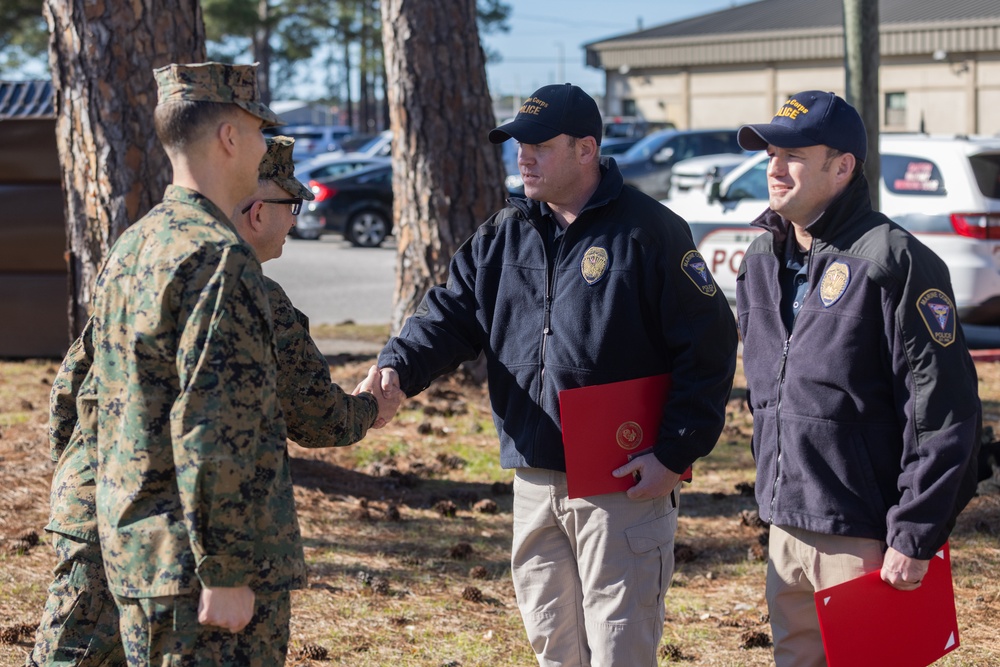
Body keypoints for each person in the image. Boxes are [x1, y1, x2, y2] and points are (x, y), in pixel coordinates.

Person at [376, 83, 738, 666]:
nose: (523, 156)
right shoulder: (502, 233)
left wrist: (675, 451)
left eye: (539, 145)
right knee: (553, 646)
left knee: (620, 645)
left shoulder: (650, 232)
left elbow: (711, 346)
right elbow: (449, 315)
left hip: (623, 478)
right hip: (534, 478)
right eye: (518, 144)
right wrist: (399, 365)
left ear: (586, 149)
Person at [27, 135, 396, 666]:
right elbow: (315, 417)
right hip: (185, 549)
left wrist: (79, 486)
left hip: (98, 516)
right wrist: (371, 409)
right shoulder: (247, 290)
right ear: (255, 210)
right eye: (291, 205)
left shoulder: (138, 252)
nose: (295, 220)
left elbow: (72, 385)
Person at [734, 90, 981, 667]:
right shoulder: (759, 262)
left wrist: (914, 534)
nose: (774, 167)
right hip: (785, 526)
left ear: (842, 166)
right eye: (770, 151)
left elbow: (942, 412)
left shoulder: (894, 261)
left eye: (794, 154)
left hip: (866, 539)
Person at [81, 61, 299, 665]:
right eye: (259, 132)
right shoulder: (218, 258)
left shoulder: (136, 243)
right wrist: (225, 568)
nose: (263, 148)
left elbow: (87, 395)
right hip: (196, 578)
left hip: (139, 559)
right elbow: (213, 421)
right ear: (230, 137)